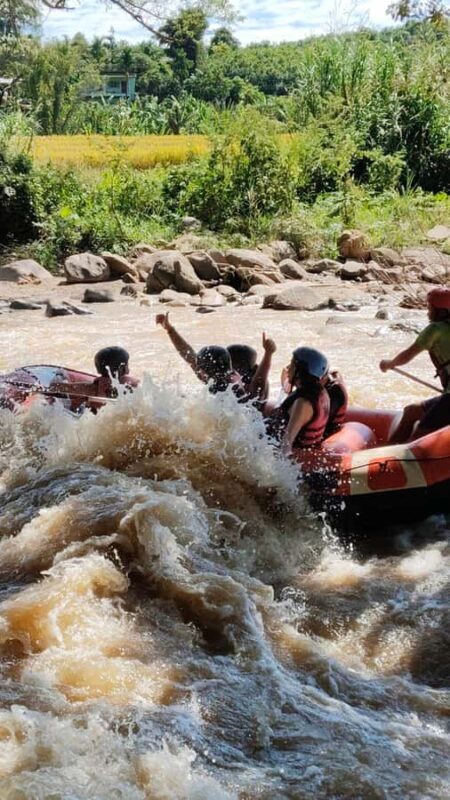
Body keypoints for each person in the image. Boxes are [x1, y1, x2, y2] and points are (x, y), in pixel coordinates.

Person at [380, 287, 450, 441]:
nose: (427, 312)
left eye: (429, 307)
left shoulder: (435, 329)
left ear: (439, 310)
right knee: (411, 412)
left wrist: (389, 364)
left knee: (419, 440)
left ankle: (392, 461)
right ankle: (387, 455)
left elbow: (407, 355)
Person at [155, 312, 245, 396]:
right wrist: (170, 330)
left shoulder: (232, 390)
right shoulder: (223, 373)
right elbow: (187, 353)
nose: (197, 369)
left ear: (205, 372)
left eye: (199, 368)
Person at [265, 346, 330, 454]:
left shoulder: (303, 403)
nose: (288, 368)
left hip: (286, 452)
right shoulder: (320, 392)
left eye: (292, 365)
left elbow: (286, 444)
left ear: (300, 371)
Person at [53, 347, 138, 402]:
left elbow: (58, 387)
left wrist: (59, 376)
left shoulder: (93, 388)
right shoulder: (132, 385)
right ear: (122, 367)